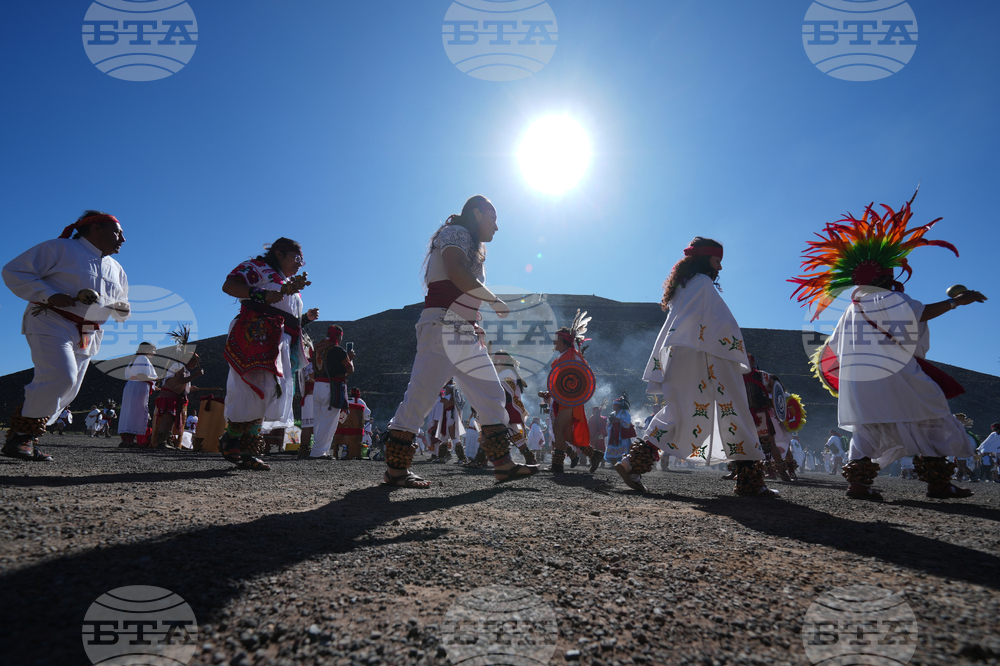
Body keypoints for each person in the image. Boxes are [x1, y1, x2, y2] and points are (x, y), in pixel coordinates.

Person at [792, 194, 986, 499]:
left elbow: (834, 350)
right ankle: (937, 483)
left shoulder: (850, 309)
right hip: (897, 375)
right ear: (884, 276)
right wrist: (956, 302)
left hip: (861, 380)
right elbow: (918, 314)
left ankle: (859, 484)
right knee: (931, 413)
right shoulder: (888, 298)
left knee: (868, 427)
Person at [382, 195, 538, 487]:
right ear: (478, 214)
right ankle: (396, 470)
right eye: (493, 218)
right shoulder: (455, 233)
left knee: (492, 395)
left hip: (464, 330)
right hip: (443, 325)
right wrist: (494, 301)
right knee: (421, 396)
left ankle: (503, 465)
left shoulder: (467, 241)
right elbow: (455, 271)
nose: (497, 227)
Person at [616, 237, 774, 496]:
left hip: (681, 357)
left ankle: (632, 463)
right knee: (735, 411)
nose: (720, 268)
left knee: (678, 412)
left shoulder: (684, 286)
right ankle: (751, 483)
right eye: (717, 261)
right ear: (705, 259)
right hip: (705, 357)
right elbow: (719, 325)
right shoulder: (702, 284)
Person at [2, 211, 130, 461]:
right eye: (118, 232)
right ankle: (20, 437)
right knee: (61, 375)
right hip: (52, 320)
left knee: (69, 388)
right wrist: (48, 294)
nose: (123, 239)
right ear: (96, 230)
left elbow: (123, 303)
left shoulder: (117, 269)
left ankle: (29, 436)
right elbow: (14, 271)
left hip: (89, 332)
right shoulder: (59, 248)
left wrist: (121, 309)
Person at [220, 238, 317, 470]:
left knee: (271, 392)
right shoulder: (256, 268)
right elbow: (229, 285)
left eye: (302, 259)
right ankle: (234, 440)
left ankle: (243, 447)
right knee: (254, 389)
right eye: (297, 258)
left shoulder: (288, 282)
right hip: (257, 334)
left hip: (280, 340)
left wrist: (305, 321)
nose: (300, 264)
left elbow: (287, 316)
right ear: (279, 254)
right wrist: (259, 294)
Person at [540, 314, 601, 474]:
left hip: (570, 401)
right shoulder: (567, 356)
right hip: (566, 399)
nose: (554, 343)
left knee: (558, 428)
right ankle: (594, 455)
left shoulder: (571, 356)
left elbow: (575, 380)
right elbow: (563, 383)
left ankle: (557, 465)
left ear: (564, 341)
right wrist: (552, 392)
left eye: (556, 340)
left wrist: (560, 393)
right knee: (565, 432)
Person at [744, 354, 792, 482]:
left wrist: (767, 399)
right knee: (743, 442)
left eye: (748, 360)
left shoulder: (763, 375)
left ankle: (782, 472)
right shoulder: (736, 376)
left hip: (761, 414)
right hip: (744, 414)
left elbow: (776, 390)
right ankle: (739, 471)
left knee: (770, 444)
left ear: (753, 362)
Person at [310, 325, 354, 459]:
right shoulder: (338, 350)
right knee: (329, 421)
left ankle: (322, 450)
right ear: (339, 336)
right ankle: (317, 452)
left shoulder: (317, 348)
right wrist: (350, 357)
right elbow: (350, 370)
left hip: (317, 386)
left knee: (318, 420)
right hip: (331, 387)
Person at [494, 350, 537, 465]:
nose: (495, 363)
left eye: (497, 361)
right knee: (499, 433)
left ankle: (481, 459)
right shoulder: (507, 372)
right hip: (508, 406)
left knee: (513, 435)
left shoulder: (507, 372)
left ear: (503, 361)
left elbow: (498, 388)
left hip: (510, 407)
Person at [154, 353, 203, 449]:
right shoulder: (178, 365)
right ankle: (161, 442)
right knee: (167, 417)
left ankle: (167, 440)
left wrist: (189, 388)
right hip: (169, 395)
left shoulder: (183, 369)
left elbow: (181, 383)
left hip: (174, 396)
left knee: (171, 418)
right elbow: (181, 380)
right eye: (195, 361)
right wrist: (196, 375)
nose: (196, 364)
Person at [119, 342, 158, 448]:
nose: (155, 352)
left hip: (133, 387)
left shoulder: (136, 358)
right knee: (136, 412)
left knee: (129, 412)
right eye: (153, 350)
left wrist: (155, 386)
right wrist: (157, 379)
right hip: (138, 387)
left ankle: (126, 438)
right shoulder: (143, 359)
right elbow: (141, 375)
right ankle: (130, 440)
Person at [604, 394, 634, 469]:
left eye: (614, 405)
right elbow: (608, 424)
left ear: (618, 406)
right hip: (613, 433)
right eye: (613, 405)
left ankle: (622, 463)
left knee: (622, 448)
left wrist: (618, 420)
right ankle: (614, 463)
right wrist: (611, 422)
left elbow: (627, 423)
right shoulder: (612, 414)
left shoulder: (624, 413)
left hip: (622, 434)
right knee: (613, 446)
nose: (613, 407)